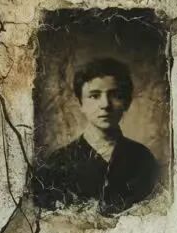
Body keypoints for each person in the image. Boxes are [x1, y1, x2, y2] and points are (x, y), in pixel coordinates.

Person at [33, 57, 159, 215]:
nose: (105, 104)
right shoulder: (58, 163)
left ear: (126, 102)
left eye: (115, 95)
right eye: (94, 96)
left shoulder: (143, 158)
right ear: (81, 103)